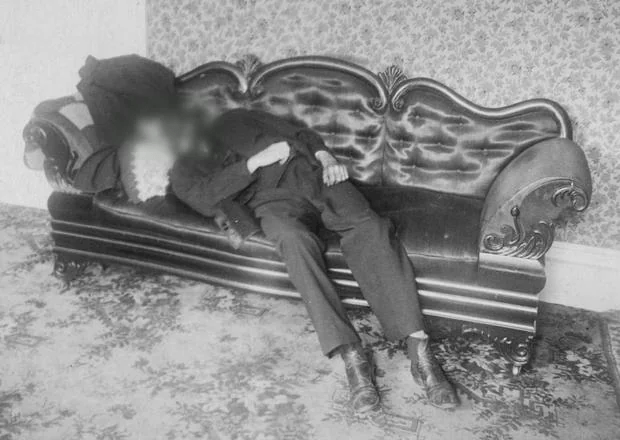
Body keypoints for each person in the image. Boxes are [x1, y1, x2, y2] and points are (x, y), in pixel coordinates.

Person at [169, 108, 459, 411]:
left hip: (313, 176)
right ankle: (351, 353)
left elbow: (301, 134)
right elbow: (204, 198)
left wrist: (327, 158)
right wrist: (254, 162)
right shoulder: (182, 169)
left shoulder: (235, 117)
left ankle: (419, 350)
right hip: (269, 203)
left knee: (370, 228)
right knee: (293, 241)